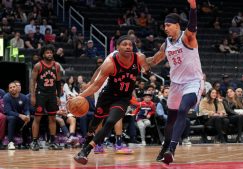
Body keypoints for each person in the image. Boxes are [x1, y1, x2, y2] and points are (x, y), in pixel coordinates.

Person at [73, 35, 149, 165]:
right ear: (117, 47)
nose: (128, 46)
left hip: (122, 98)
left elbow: (149, 65)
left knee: (111, 121)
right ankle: (88, 140)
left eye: (130, 44)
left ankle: (86, 151)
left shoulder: (139, 58)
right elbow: (96, 85)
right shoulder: (110, 63)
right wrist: (82, 95)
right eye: (124, 44)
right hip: (107, 95)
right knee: (95, 122)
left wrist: (152, 64)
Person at [146, 0, 203, 164]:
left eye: (168, 25)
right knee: (170, 119)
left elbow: (192, 26)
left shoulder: (187, 37)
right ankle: (165, 147)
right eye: (164, 26)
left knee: (183, 110)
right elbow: (154, 60)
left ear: (177, 25)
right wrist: (141, 61)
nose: (165, 28)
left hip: (192, 82)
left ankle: (172, 149)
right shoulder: (166, 44)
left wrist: (193, 7)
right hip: (176, 85)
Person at [30, 44, 63, 151]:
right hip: (41, 94)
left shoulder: (56, 65)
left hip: (52, 95)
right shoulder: (38, 66)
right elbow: (32, 81)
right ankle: (34, 141)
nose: (49, 54)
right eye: (47, 52)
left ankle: (52, 141)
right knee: (37, 118)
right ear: (43, 54)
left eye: (51, 52)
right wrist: (33, 96)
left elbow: (58, 82)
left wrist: (58, 96)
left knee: (52, 118)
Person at [4, 82, 31, 150]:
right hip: (9, 117)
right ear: (8, 89)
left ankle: (27, 142)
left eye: (14, 87)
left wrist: (27, 115)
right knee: (12, 118)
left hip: (19, 117)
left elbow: (26, 109)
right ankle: (10, 142)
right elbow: (8, 111)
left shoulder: (24, 97)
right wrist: (20, 115)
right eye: (10, 88)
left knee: (31, 119)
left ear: (17, 88)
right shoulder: (6, 97)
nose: (12, 89)